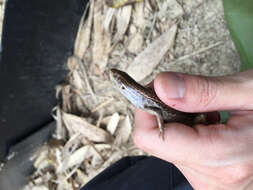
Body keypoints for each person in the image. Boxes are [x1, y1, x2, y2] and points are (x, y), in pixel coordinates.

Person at [82, 70, 253, 190]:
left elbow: (156, 111)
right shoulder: (141, 99)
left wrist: (161, 127)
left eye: (116, 79)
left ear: (124, 88)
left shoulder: (142, 101)